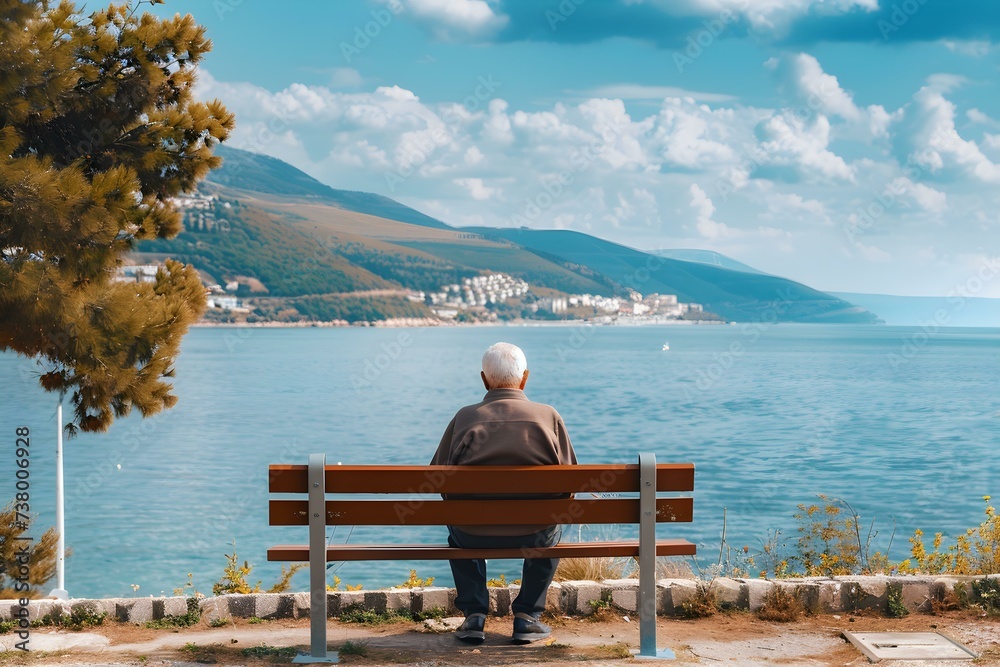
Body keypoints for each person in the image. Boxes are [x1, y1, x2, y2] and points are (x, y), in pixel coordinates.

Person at [430, 342, 577, 645]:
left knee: (455, 527)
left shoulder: (465, 418)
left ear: (484, 379)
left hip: (471, 533)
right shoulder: (548, 417)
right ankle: (527, 617)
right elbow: (570, 483)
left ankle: (474, 616)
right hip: (534, 533)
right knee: (553, 528)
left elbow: (438, 480)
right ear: (525, 378)